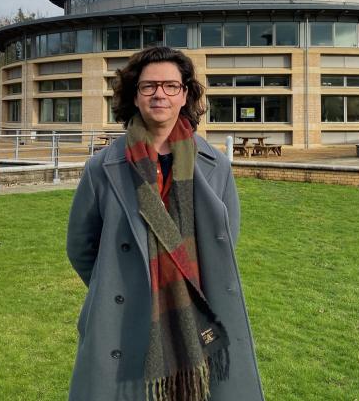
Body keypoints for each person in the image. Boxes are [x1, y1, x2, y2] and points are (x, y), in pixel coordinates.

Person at [66, 46, 264, 401]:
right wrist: (122, 284)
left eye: (171, 86)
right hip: (124, 314)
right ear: (135, 95)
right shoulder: (102, 167)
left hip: (192, 316)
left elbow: (223, 243)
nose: (160, 94)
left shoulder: (214, 166)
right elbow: (81, 247)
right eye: (149, 86)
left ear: (184, 94)